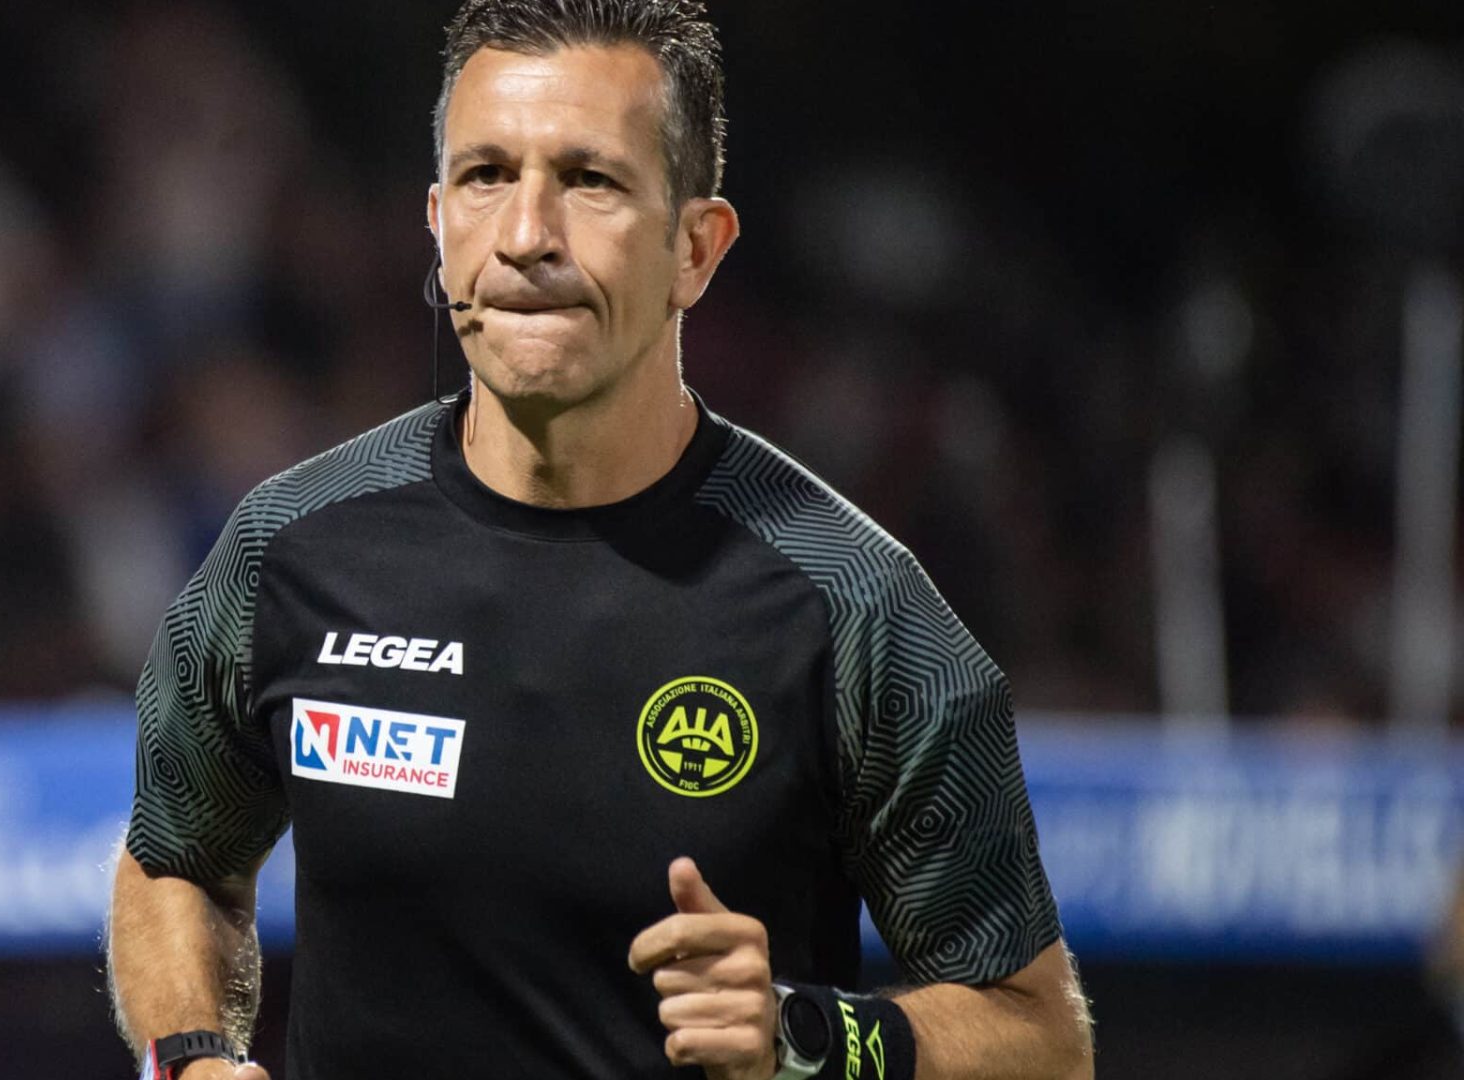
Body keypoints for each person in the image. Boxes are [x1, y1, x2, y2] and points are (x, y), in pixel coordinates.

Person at [107, 2, 1095, 1078]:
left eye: (592, 181)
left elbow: (1041, 1035)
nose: (528, 235)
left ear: (696, 248)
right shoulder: (289, 550)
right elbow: (175, 864)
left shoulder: (854, 605)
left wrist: (812, 1037)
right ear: (438, 226)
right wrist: (194, 1057)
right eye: (486, 176)